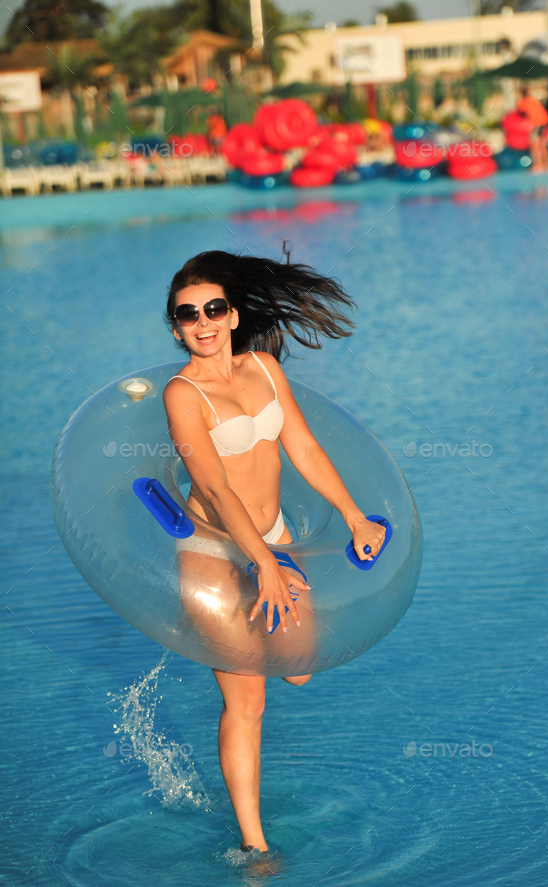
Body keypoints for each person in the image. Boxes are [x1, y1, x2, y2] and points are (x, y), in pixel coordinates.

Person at [162, 248, 387, 855]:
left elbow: (304, 448)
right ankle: (255, 848)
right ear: (177, 326)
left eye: (214, 309)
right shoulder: (183, 395)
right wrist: (262, 564)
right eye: (188, 315)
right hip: (214, 551)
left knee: (300, 667)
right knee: (248, 698)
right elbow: (212, 484)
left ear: (234, 315)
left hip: (277, 534)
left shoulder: (263, 367)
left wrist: (353, 516)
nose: (203, 323)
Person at [517, 86, 548, 174]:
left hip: (536, 124)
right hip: (545, 122)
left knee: (535, 146)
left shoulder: (523, 102)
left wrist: (531, 124)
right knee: (542, 145)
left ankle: (538, 165)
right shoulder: (534, 101)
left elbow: (528, 113)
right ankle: (546, 165)